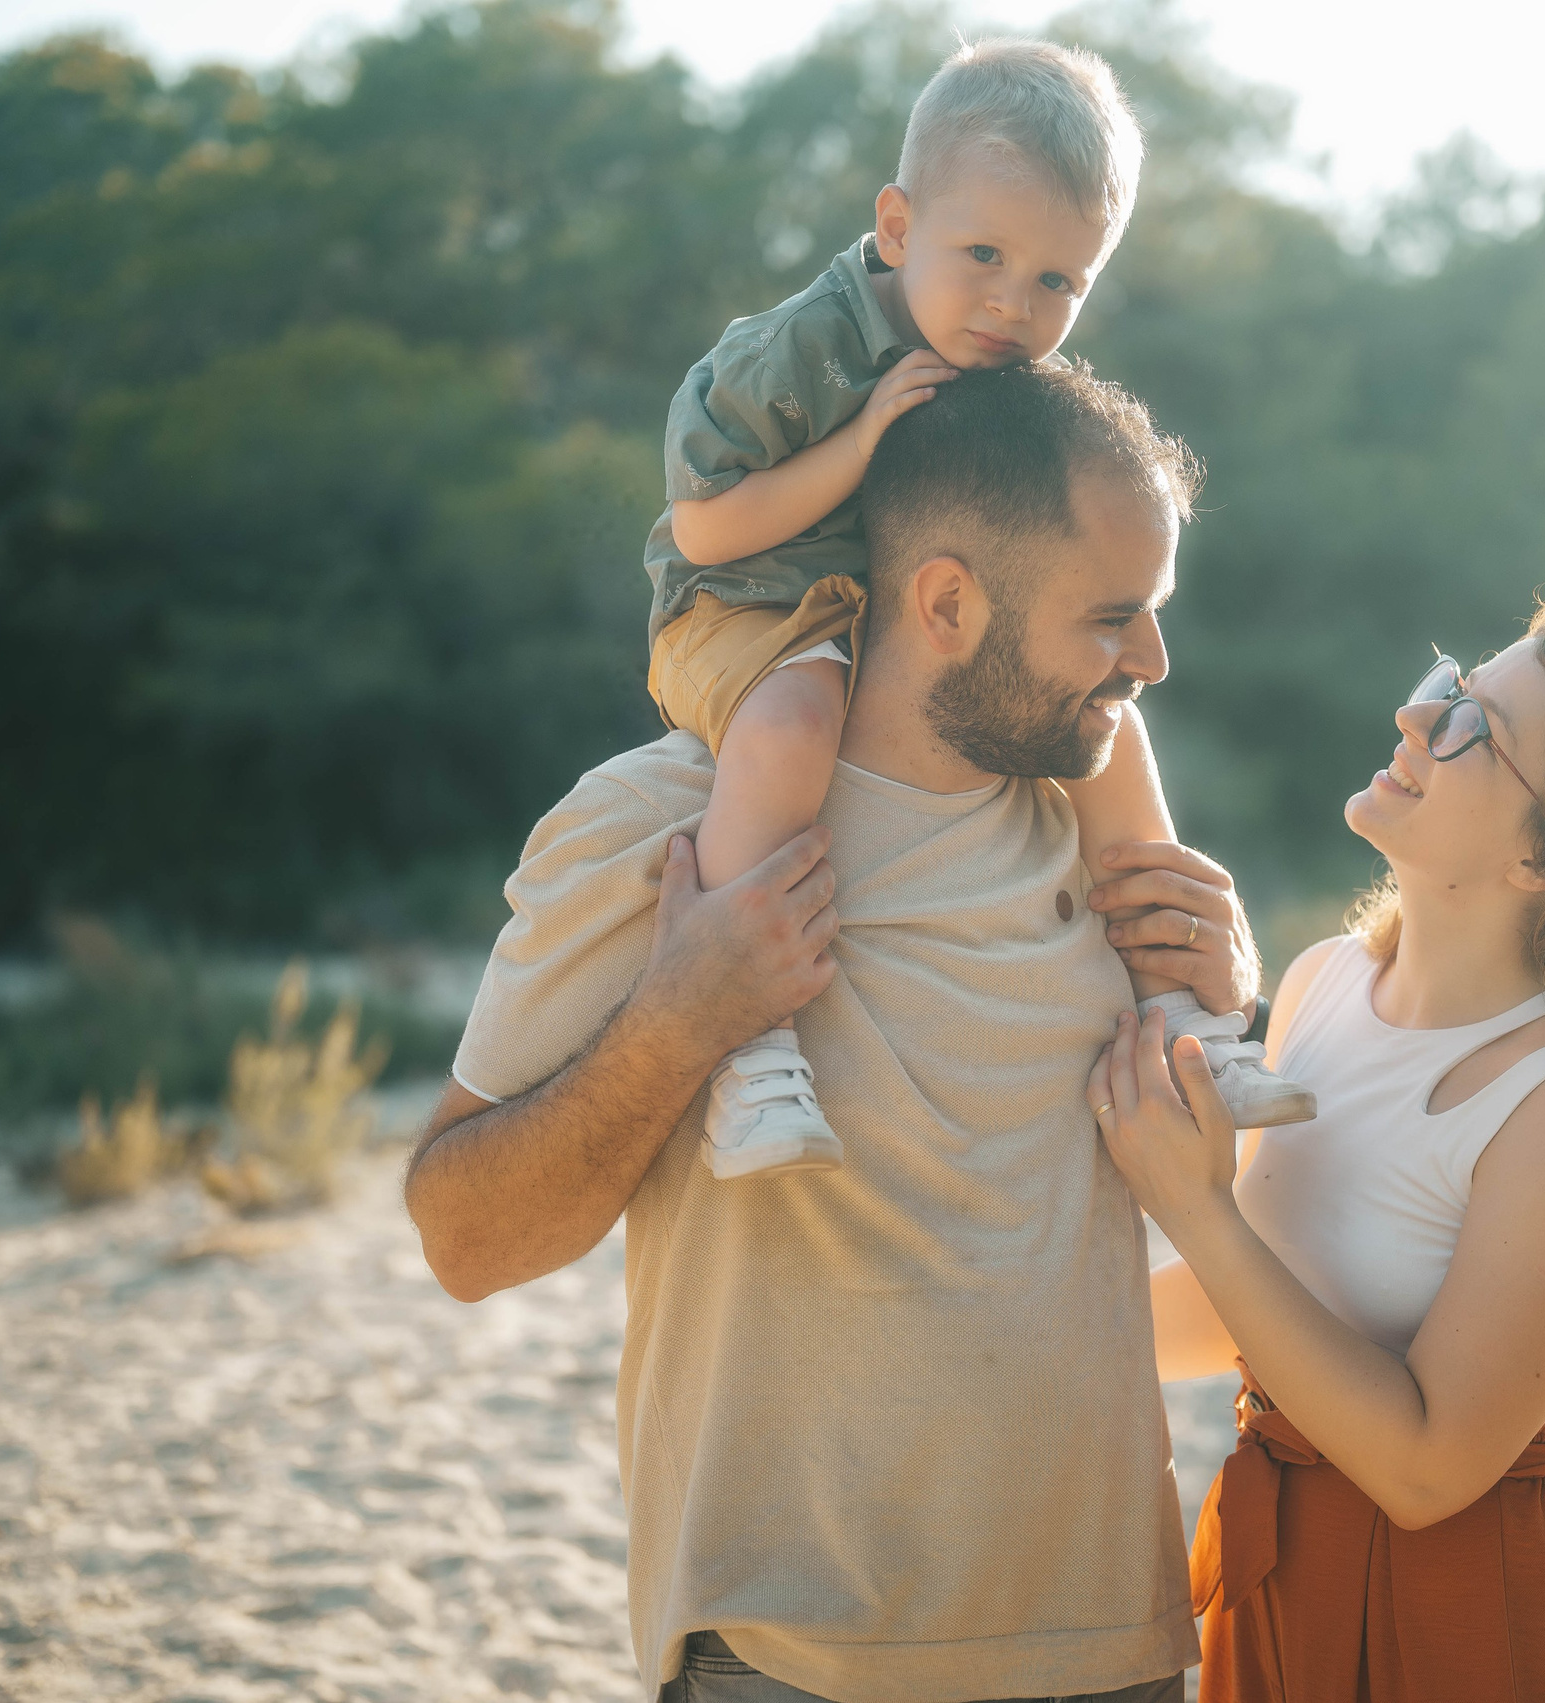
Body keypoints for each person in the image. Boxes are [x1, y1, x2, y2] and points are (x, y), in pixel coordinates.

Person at [408, 362, 1246, 1699]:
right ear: (949, 601)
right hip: (786, 1660)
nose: (1151, 659)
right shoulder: (660, 826)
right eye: (1115, 616)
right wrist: (681, 1018)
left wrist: (1219, 1011)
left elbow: (1229, 1206)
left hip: (1112, 1649)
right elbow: (463, 1235)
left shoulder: (1116, 848)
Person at [1090, 589, 1545, 1700]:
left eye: (1470, 724)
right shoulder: (1320, 983)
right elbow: (1252, 1309)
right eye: (1448, 683)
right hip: (1276, 1575)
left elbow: (1427, 1466)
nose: (1411, 716)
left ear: (1542, 855)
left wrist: (1196, 1207)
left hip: (1470, 1619)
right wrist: (999, 1325)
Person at [642, 35, 1312, 1179]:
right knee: (795, 723)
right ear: (897, 228)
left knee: (1106, 719)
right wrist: (859, 444)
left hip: (892, 619)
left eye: (1057, 280)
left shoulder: (1001, 363)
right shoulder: (790, 354)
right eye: (986, 256)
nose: (1013, 304)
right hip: (747, 598)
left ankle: (1184, 1011)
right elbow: (702, 526)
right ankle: (745, 1045)